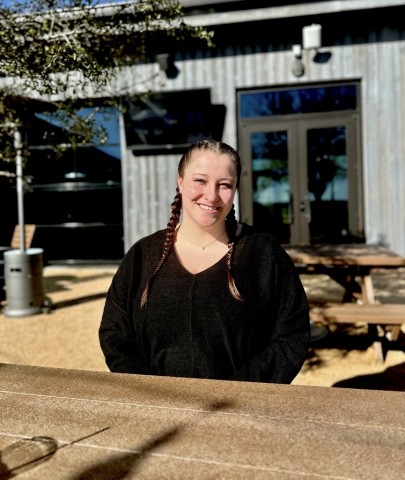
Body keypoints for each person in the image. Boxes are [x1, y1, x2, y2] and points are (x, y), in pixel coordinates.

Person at [99, 139, 310, 384]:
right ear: (180, 181)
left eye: (225, 185)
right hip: (157, 410)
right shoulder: (142, 256)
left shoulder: (263, 253)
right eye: (200, 180)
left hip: (240, 413)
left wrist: (237, 393)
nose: (211, 195)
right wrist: (151, 392)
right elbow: (115, 333)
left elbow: (291, 335)